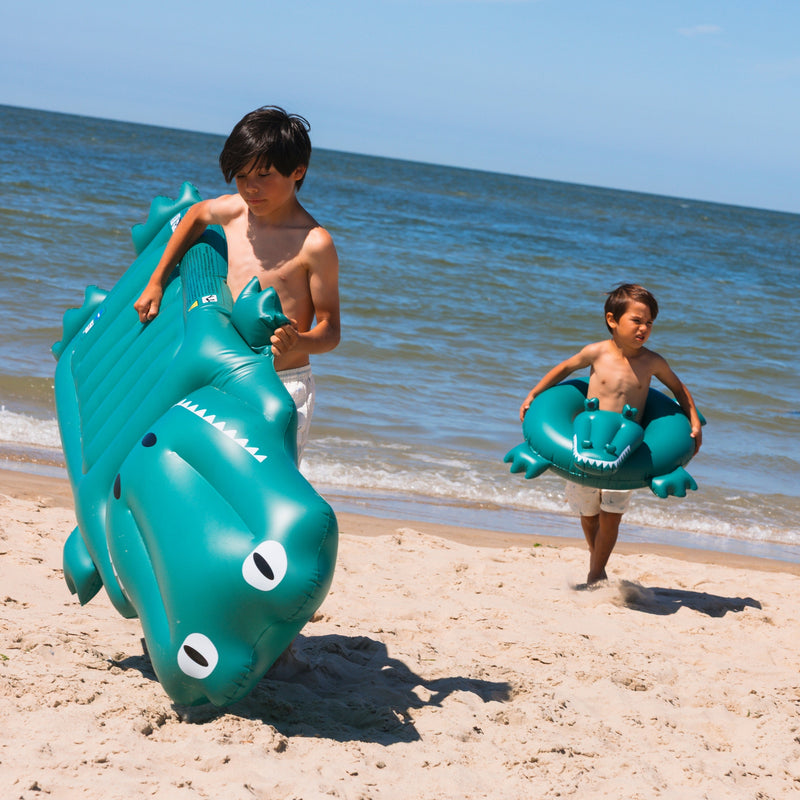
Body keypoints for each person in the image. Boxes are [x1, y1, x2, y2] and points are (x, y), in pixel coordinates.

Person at [134, 106, 340, 461]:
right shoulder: (233, 211)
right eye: (242, 176)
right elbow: (196, 215)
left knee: (266, 475)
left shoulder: (313, 243)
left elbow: (331, 330)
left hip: (281, 383)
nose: (250, 187)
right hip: (223, 373)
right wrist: (157, 280)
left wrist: (298, 340)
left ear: (298, 171)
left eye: (264, 175)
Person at [518, 284, 702, 586]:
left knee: (612, 515)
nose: (644, 328)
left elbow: (678, 389)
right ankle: (598, 562)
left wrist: (693, 420)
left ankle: (595, 572)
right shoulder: (596, 352)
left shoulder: (652, 362)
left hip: (624, 452)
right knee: (589, 513)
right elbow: (564, 368)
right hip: (586, 445)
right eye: (637, 320)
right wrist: (534, 394)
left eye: (649, 323)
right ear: (612, 320)